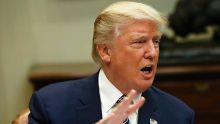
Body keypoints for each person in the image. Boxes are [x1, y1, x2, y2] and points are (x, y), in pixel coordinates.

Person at [28, 1, 195, 124]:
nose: (152, 52)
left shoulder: (178, 116)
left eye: (156, 42)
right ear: (105, 51)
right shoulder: (51, 107)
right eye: (139, 42)